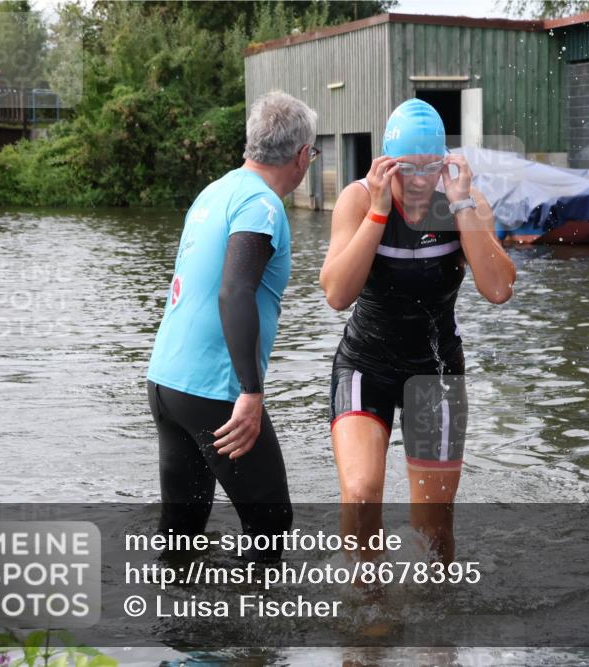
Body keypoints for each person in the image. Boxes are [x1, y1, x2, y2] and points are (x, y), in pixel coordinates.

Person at [320, 99, 516, 564]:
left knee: (434, 527)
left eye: (432, 167)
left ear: (447, 163)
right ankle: (368, 613)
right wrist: (377, 212)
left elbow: (499, 288)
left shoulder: (465, 201)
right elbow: (336, 294)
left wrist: (463, 205)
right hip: (365, 362)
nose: (422, 181)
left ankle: (435, 628)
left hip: (436, 371)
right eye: (408, 167)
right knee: (363, 494)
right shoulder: (358, 199)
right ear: (388, 165)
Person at [146, 91, 318, 563]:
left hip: (166, 382)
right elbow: (234, 292)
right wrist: (251, 391)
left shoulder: (214, 191)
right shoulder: (262, 205)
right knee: (270, 521)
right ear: (303, 156)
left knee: (183, 527)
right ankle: (251, 633)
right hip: (212, 388)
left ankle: (179, 630)